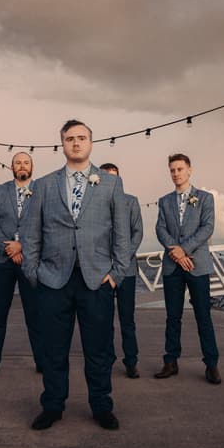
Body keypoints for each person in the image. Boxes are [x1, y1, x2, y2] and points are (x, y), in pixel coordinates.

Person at [22, 119, 130, 431]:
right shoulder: (43, 185)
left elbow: (121, 235)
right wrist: (34, 273)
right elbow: (31, 235)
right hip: (53, 280)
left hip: (96, 280)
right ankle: (52, 406)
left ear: (91, 143)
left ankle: (101, 406)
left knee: (98, 350)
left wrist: (117, 274)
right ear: (62, 144)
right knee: (54, 350)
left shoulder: (111, 184)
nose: (76, 143)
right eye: (70, 138)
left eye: (82, 138)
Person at [0, 152, 42, 376]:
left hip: (30, 260)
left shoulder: (42, 191)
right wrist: (8, 248)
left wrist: (21, 245)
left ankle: (42, 362)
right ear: (11, 167)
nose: (22, 166)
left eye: (26, 162)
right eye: (18, 162)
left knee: (35, 314)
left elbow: (46, 222)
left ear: (32, 167)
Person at [154, 153, 221, 385]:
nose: (176, 174)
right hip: (173, 266)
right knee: (173, 316)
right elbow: (160, 229)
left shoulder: (205, 198)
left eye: (180, 169)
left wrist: (183, 249)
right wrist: (175, 252)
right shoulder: (164, 201)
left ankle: (211, 364)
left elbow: (207, 227)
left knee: (204, 316)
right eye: (172, 170)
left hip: (197, 265)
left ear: (190, 170)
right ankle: (170, 361)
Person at [100, 162, 143, 379]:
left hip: (126, 270)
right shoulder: (94, 205)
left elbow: (138, 233)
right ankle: (107, 359)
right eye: (106, 176)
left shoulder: (131, 202)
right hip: (102, 272)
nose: (111, 180)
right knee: (104, 320)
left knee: (127, 319)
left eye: (114, 177)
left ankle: (131, 361)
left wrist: (122, 258)